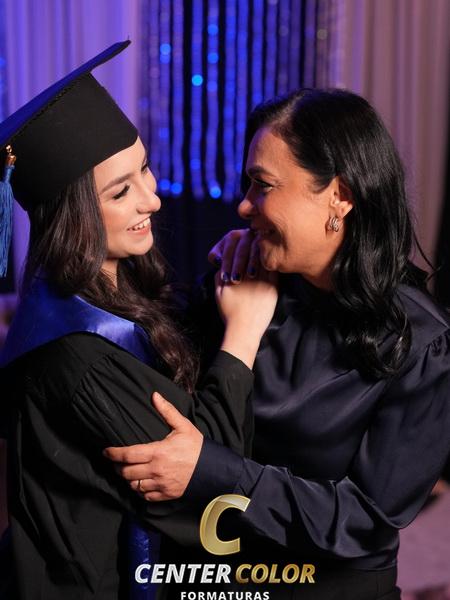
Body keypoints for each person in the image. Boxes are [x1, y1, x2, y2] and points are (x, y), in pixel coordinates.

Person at [106, 89, 450, 600]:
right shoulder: (244, 283)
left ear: (340, 196)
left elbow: (366, 523)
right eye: (248, 183)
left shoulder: (421, 343)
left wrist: (210, 472)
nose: (244, 204)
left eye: (263, 185)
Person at [0, 41, 277, 599]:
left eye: (144, 168)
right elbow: (208, 485)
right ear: (75, 214)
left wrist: (219, 284)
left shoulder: (104, 290)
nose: (152, 199)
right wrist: (243, 335)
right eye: (122, 191)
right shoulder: (77, 354)